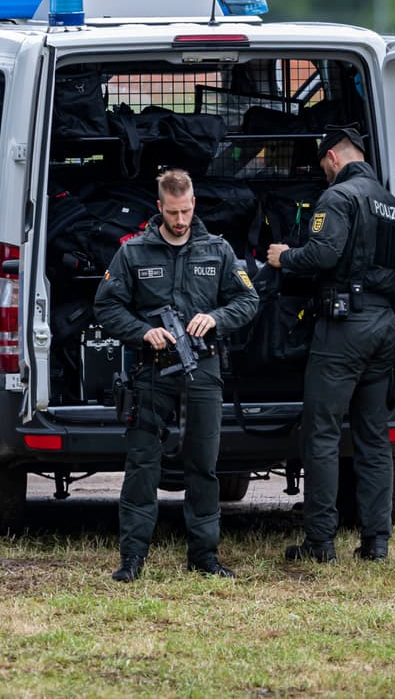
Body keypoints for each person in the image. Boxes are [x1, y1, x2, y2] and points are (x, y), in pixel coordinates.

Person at [94, 168, 259, 582]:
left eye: (186, 211)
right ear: (159, 208)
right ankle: (132, 559)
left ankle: (204, 557)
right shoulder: (133, 252)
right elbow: (107, 306)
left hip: (202, 367)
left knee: (203, 465)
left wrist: (215, 318)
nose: (181, 220)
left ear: (194, 204)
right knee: (142, 465)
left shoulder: (217, 249)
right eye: (173, 213)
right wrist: (142, 331)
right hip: (152, 370)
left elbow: (248, 300)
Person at [267, 126, 395, 562]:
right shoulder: (393, 205)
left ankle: (320, 542)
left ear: (332, 157)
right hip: (385, 326)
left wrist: (285, 257)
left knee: (323, 434)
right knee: (373, 438)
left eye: (323, 166)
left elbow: (323, 255)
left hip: (344, 326)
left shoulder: (339, 197)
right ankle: (376, 542)